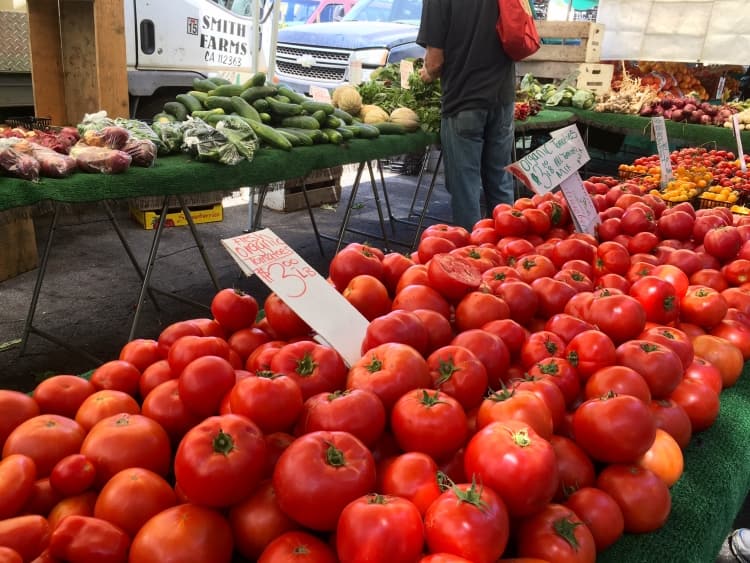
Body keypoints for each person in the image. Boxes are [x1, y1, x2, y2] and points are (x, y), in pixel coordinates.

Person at [417, 0, 517, 231]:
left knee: (466, 186)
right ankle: (510, 242)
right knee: (500, 179)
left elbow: (434, 62)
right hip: (502, 97)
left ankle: (474, 252)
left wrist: (426, 74)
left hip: (464, 99)